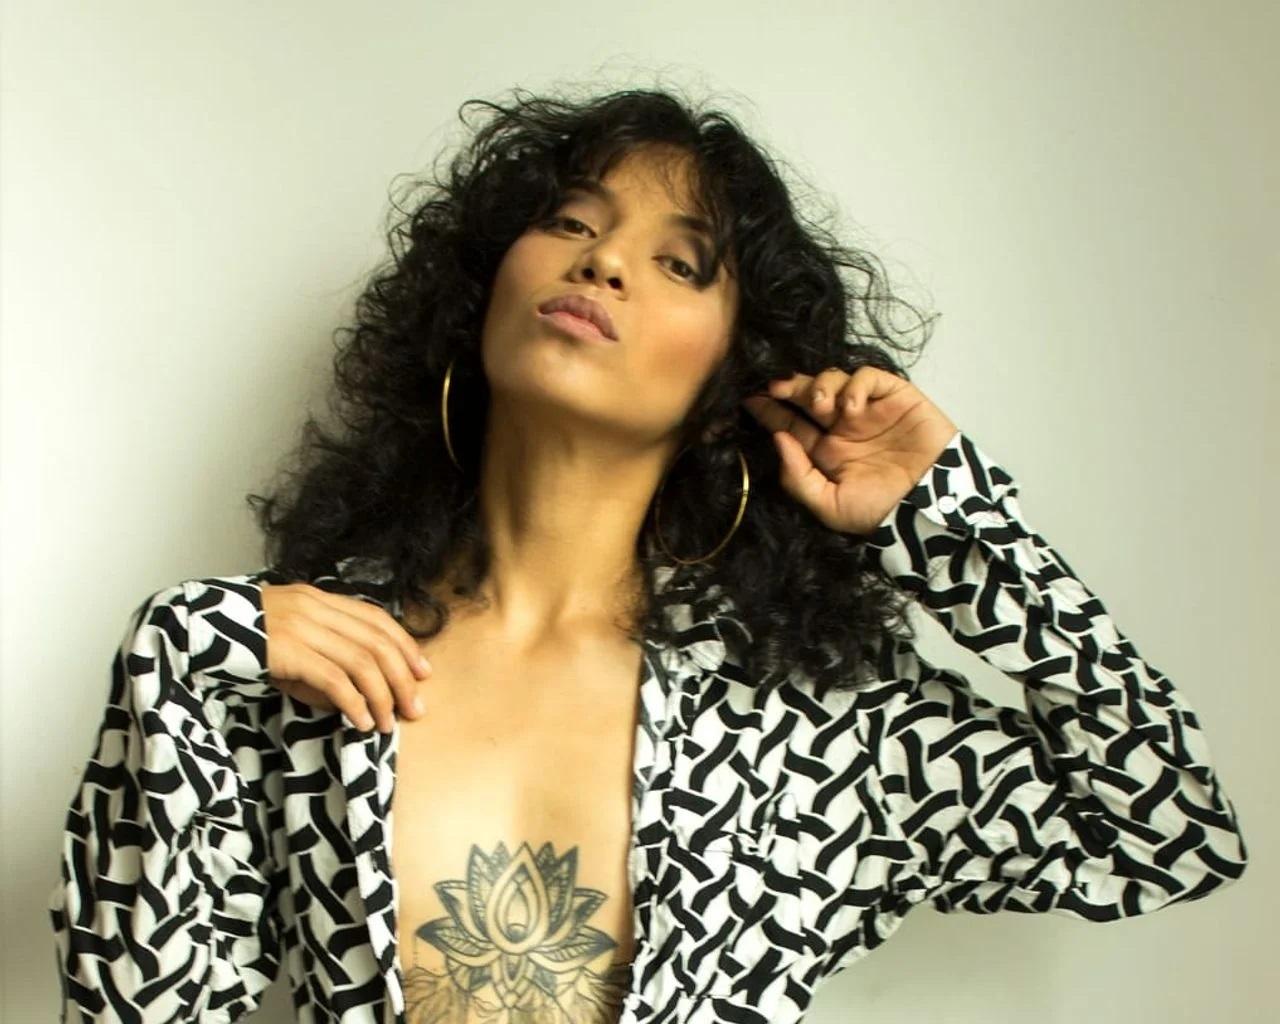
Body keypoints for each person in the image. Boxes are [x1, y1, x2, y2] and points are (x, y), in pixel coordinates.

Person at [48, 85, 1249, 1024]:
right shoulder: (307, 657)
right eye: (569, 222)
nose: (601, 260)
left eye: (679, 262)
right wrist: (182, 655)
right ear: (477, 293)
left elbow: (1164, 830)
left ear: (736, 375)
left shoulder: (812, 720)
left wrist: (945, 518)